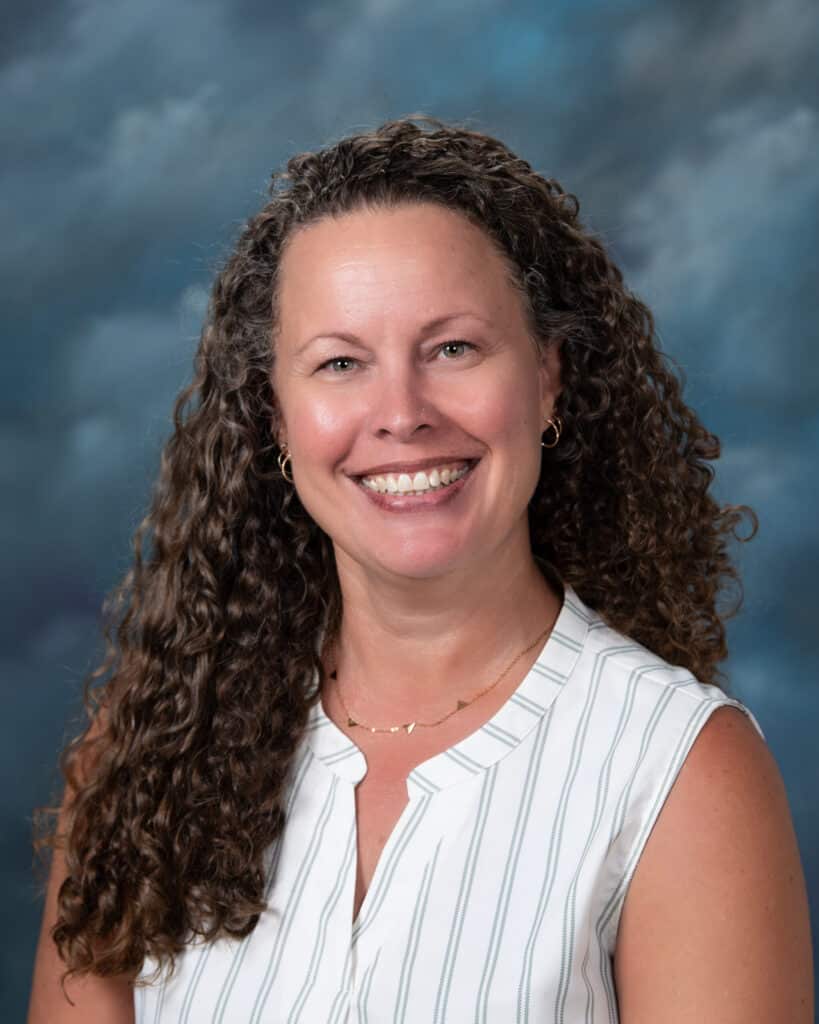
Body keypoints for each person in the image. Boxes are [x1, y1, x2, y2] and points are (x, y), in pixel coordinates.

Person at [29, 115, 813, 1023]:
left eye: (452, 349)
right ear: (276, 420)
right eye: (339, 363)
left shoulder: (680, 772)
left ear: (547, 377)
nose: (399, 413)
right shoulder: (146, 753)